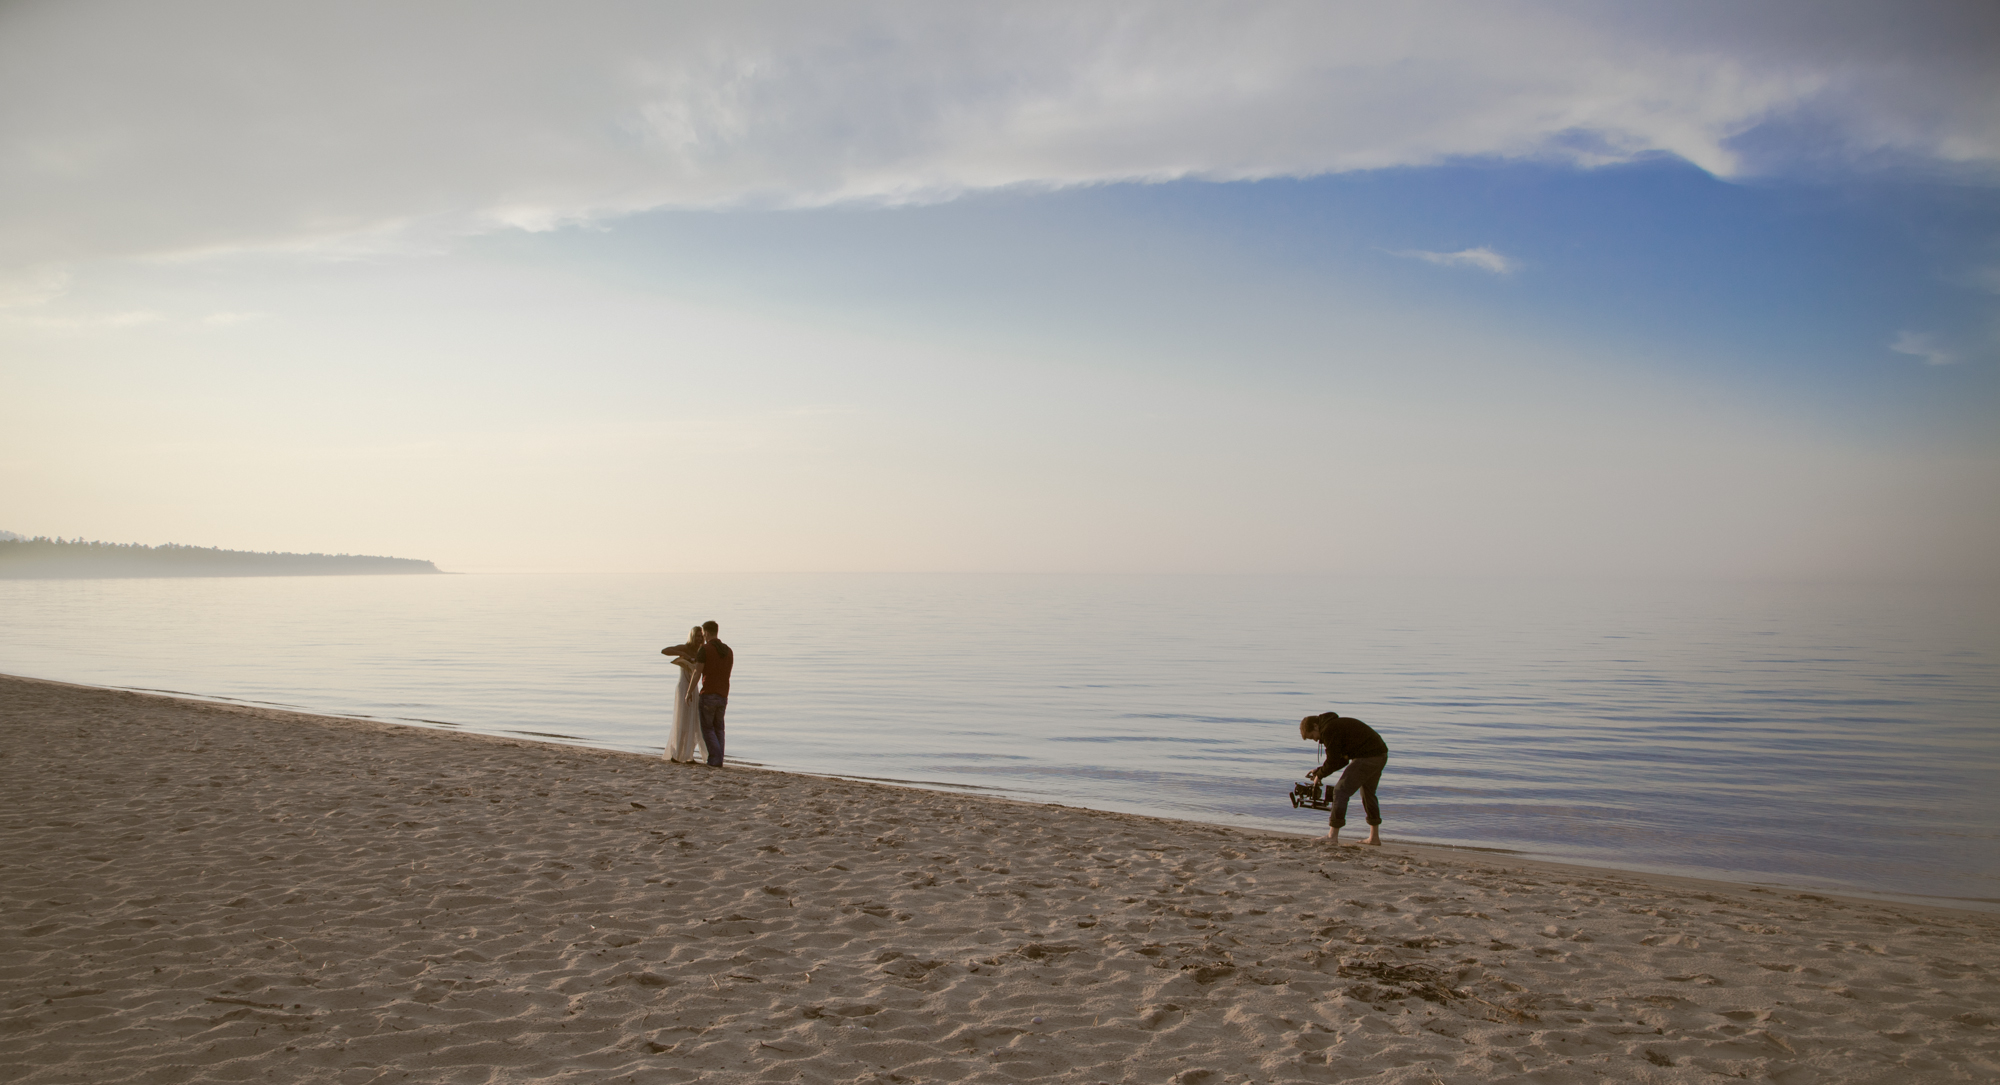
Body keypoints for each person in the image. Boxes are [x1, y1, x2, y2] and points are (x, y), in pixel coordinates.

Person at [1302, 711, 1388, 846]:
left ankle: (1332, 835)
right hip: (1380, 754)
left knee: (1340, 791)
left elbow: (1334, 761)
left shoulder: (1329, 729)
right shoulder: (1333, 725)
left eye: (1313, 737)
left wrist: (1320, 774)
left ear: (1315, 726)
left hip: (1368, 757)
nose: (1316, 740)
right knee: (1368, 793)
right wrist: (1319, 771)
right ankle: (1374, 837)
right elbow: (1341, 761)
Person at [659, 626, 706, 764]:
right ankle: (677, 753)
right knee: (681, 721)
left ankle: (689, 754)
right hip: (683, 687)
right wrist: (683, 654)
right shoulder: (685, 647)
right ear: (692, 636)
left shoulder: (701, 651)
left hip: (694, 688)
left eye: (701, 636)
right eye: (696, 636)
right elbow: (664, 651)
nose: (699, 638)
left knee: (693, 721)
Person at [691, 620, 733, 768]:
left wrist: (689, 691)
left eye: (703, 634)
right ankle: (719, 759)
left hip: (708, 693)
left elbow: (697, 672)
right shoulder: (728, 651)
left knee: (708, 729)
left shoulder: (705, 649)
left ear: (706, 633)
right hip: (723, 694)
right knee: (719, 729)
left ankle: (715, 760)